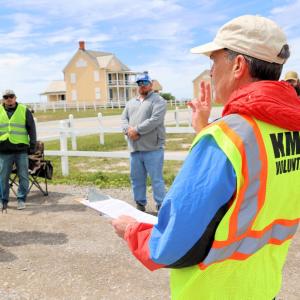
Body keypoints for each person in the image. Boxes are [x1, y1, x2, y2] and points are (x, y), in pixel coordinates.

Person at [112, 15, 300, 299]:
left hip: (214, 290)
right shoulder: (290, 128)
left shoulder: (227, 138)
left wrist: (131, 230)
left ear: (238, 65)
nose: (211, 71)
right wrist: (205, 129)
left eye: (213, 61)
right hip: (263, 287)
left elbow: (171, 246)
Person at [121, 72, 167, 212]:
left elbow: (155, 120)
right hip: (135, 149)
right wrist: (128, 131)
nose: (142, 86)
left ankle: (161, 206)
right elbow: (123, 119)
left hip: (153, 148)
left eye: (145, 83)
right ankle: (140, 204)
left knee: (156, 180)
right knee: (136, 180)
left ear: (151, 84)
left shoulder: (159, 101)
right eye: (139, 83)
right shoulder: (130, 103)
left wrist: (136, 130)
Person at [0, 90, 36, 211]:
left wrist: (32, 145)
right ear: (3, 99)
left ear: (15, 97)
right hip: (4, 151)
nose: (9, 99)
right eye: (6, 97)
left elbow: (32, 129)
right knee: (3, 177)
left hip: (21, 150)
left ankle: (21, 199)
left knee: (24, 176)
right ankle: (3, 200)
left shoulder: (24, 110)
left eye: (11, 96)